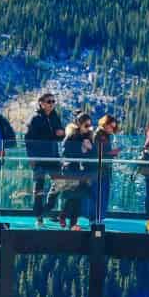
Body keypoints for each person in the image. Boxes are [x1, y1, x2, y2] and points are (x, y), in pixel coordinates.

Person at [23, 94, 62, 224]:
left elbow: (58, 136)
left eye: (53, 101)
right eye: (49, 101)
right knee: (39, 189)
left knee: (59, 183)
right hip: (39, 158)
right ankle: (39, 216)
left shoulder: (55, 117)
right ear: (41, 103)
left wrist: (61, 134)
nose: (51, 104)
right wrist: (32, 158)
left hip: (53, 157)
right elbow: (28, 140)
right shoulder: (35, 119)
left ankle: (47, 209)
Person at [54, 114, 94, 228]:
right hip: (71, 170)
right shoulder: (71, 136)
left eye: (90, 125)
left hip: (83, 171)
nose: (88, 128)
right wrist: (82, 150)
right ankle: (68, 219)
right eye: (86, 125)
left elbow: (93, 153)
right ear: (79, 125)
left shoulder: (89, 137)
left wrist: (89, 149)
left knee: (78, 197)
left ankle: (70, 221)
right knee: (73, 195)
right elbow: (66, 152)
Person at [90, 114, 120, 228]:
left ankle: (99, 218)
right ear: (105, 124)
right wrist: (112, 153)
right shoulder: (98, 135)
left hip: (105, 169)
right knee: (98, 194)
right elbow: (97, 154)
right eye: (110, 126)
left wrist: (112, 153)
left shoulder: (106, 136)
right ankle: (95, 218)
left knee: (103, 194)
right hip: (98, 170)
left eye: (113, 127)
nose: (112, 129)